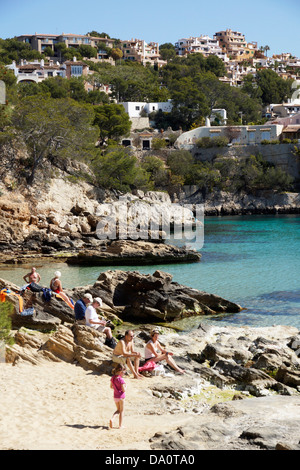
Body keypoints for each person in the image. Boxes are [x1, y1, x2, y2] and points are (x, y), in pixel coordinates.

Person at [110, 364, 127, 429]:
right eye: (124, 372)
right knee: (122, 411)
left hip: (115, 396)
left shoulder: (113, 378)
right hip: (121, 397)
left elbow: (111, 387)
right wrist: (126, 386)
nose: (124, 374)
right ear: (120, 371)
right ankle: (120, 425)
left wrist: (116, 388)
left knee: (118, 410)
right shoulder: (121, 380)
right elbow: (124, 390)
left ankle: (112, 418)